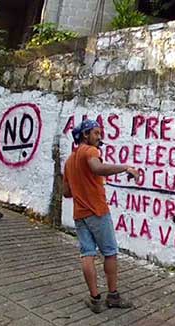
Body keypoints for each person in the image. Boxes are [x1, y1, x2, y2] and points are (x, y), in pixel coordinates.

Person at [62, 119, 140, 313]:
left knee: (87, 254)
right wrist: (125, 167)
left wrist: (82, 185)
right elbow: (97, 168)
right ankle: (113, 296)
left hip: (80, 214)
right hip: (97, 211)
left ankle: (95, 299)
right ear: (85, 135)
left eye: (99, 133)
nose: (99, 137)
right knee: (110, 252)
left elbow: (66, 192)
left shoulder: (69, 161)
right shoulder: (90, 151)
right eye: (96, 133)